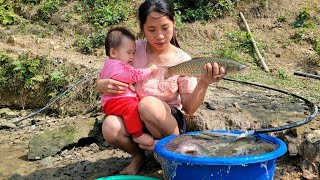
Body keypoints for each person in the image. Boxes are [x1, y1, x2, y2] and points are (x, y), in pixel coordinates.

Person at [96, 0, 225, 175]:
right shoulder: (134, 49)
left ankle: (173, 151)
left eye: (165, 28)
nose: (160, 36)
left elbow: (190, 108)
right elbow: (111, 69)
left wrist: (204, 83)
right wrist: (101, 84)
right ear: (142, 29)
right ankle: (139, 156)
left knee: (148, 104)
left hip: (167, 121)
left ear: (174, 23)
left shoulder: (183, 60)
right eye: (151, 30)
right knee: (110, 126)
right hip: (137, 119)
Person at [100, 27, 158, 147]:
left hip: (115, 100)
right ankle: (137, 135)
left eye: (133, 53)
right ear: (113, 52)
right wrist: (149, 69)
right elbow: (133, 75)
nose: (132, 57)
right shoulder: (116, 67)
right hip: (114, 101)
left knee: (135, 105)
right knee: (131, 107)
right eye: (128, 53)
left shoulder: (111, 63)